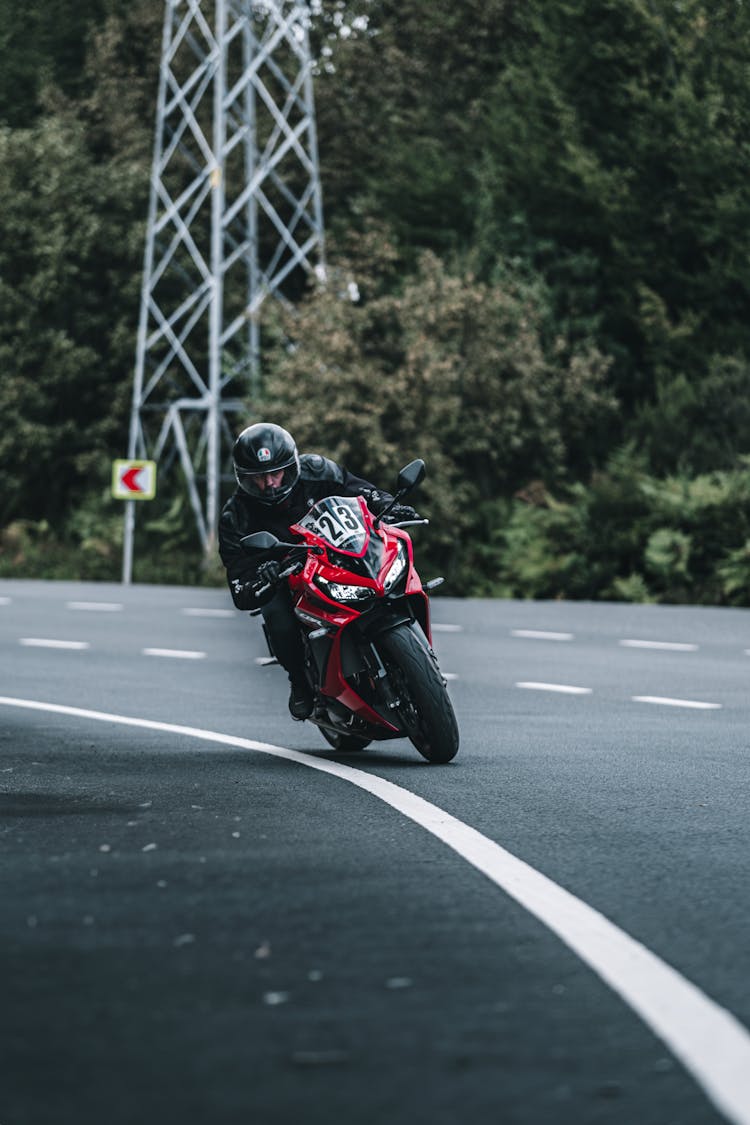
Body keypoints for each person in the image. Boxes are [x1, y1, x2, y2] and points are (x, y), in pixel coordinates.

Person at [218, 422, 419, 720]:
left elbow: (361, 491)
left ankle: (414, 646)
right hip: (288, 578)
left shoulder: (318, 470)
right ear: (244, 479)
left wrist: (389, 504)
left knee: (393, 566)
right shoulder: (236, 517)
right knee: (278, 618)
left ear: (292, 466)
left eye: (276, 472)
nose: (271, 483)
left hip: (337, 556)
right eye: (259, 477)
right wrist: (264, 575)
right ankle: (299, 682)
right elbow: (239, 586)